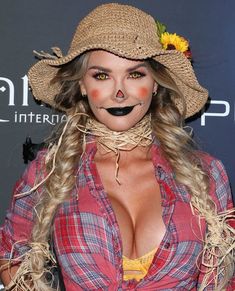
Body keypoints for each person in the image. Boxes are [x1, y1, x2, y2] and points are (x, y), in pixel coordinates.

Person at [0, 3, 234, 290]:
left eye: (135, 74)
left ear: (157, 84)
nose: (120, 92)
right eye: (102, 75)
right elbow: (11, 256)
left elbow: (223, 278)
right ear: (83, 85)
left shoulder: (206, 174)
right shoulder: (50, 170)